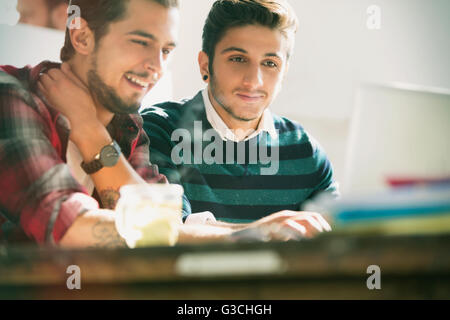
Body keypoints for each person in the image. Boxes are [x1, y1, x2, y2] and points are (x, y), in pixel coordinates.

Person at [1, 0, 329, 248]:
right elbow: (70, 225)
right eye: (140, 42)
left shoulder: (128, 127)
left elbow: (168, 227)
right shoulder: (11, 97)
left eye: (166, 50)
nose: (156, 67)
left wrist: (259, 231)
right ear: (83, 37)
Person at [141, 0, 338, 226]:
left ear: (284, 73)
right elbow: (167, 233)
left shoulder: (305, 153)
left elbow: (338, 244)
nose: (254, 81)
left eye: (270, 63)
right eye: (238, 59)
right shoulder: (158, 131)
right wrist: (266, 233)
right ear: (205, 65)